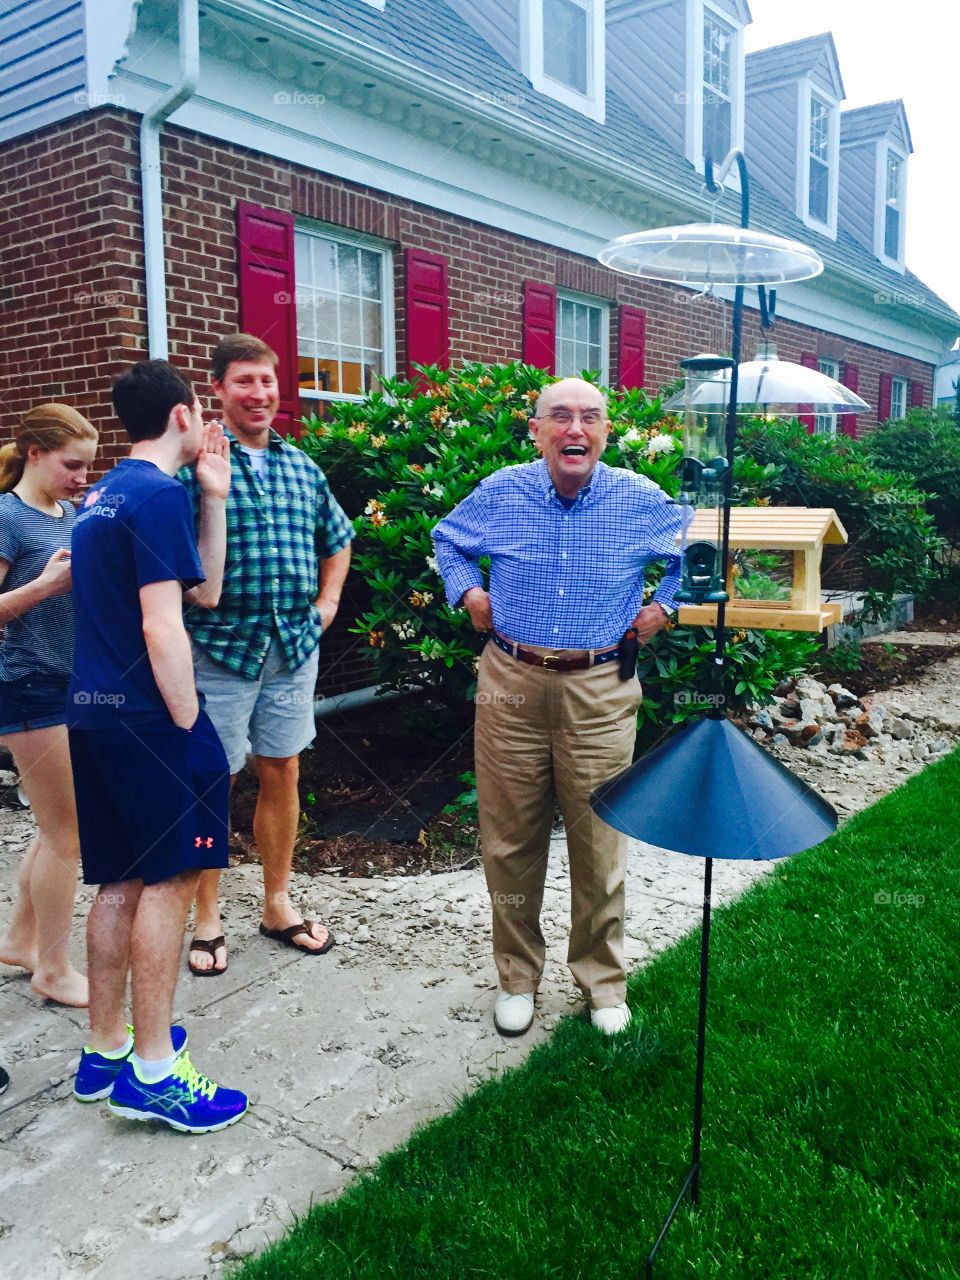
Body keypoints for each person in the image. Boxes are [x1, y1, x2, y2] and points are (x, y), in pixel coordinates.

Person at [432, 377, 685, 1037]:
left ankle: (602, 983)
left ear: (605, 432)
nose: (576, 429)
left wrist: (665, 607)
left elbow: (703, 555)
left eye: (590, 418)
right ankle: (517, 979)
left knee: (599, 840)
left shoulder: (640, 499)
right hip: (511, 682)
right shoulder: (502, 492)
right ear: (537, 431)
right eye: (561, 417)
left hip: (599, 688)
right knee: (509, 840)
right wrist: (469, 592)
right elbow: (447, 538)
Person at [69, 359, 247, 1133]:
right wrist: (189, 724)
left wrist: (217, 497)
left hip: (94, 714)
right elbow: (162, 623)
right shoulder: (154, 494)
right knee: (172, 880)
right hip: (150, 720)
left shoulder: (105, 495)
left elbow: (203, 589)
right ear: (182, 416)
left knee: (120, 881)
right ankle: (153, 1073)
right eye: (201, 410)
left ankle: (106, 1049)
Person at [179, 334, 354, 976]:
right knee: (211, 782)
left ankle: (277, 904)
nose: (259, 394)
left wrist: (327, 603)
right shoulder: (192, 467)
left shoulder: (303, 467)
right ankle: (205, 915)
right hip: (218, 650)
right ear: (218, 389)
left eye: (267, 381)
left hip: (291, 649)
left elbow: (339, 537)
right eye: (244, 381)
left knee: (282, 770)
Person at [0, 404, 98, 1008]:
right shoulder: (6, 516)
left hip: (67, 683)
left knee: (55, 825)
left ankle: (20, 941)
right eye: (71, 465)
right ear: (34, 453)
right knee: (68, 834)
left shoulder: (69, 515)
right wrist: (44, 587)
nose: (82, 478)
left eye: (88, 467)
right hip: (26, 684)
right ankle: (54, 969)